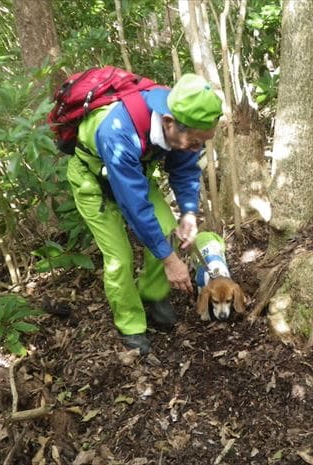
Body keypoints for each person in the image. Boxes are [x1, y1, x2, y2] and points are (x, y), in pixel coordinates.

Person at [66, 73, 223, 354]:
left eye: (203, 142)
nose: (197, 148)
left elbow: (185, 169)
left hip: (135, 175)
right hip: (92, 181)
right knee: (119, 258)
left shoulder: (185, 123)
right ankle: (131, 324)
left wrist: (188, 212)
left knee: (166, 230)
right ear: (168, 123)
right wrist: (170, 261)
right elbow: (134, 206)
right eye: (196, 142)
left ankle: (153, 294)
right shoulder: (117, 132)